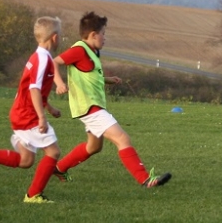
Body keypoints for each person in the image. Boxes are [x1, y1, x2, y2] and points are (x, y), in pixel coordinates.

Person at [52, 12, 172, 187]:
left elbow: (89, 76)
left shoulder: (92, 52)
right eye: (103, 33)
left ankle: (59, 168)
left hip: (91, 107)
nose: (105, 38)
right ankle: (145, 179)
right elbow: (54, 62)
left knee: (94, 147)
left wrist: (108, 80)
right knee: (122, 138)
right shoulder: (79, 50)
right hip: (90, 107)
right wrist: (59, 83)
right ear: (93, 34)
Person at [0, 17, 66, 203]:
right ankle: (33, 195)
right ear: (54, 38)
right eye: (61, 36)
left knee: (26, 160)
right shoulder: (42, 59)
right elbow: (34, 89)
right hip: (27, 115)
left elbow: (35, 89)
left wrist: (49, 108)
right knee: (53, 152)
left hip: (20, 112)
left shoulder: (38, 56)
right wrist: (41, 117)